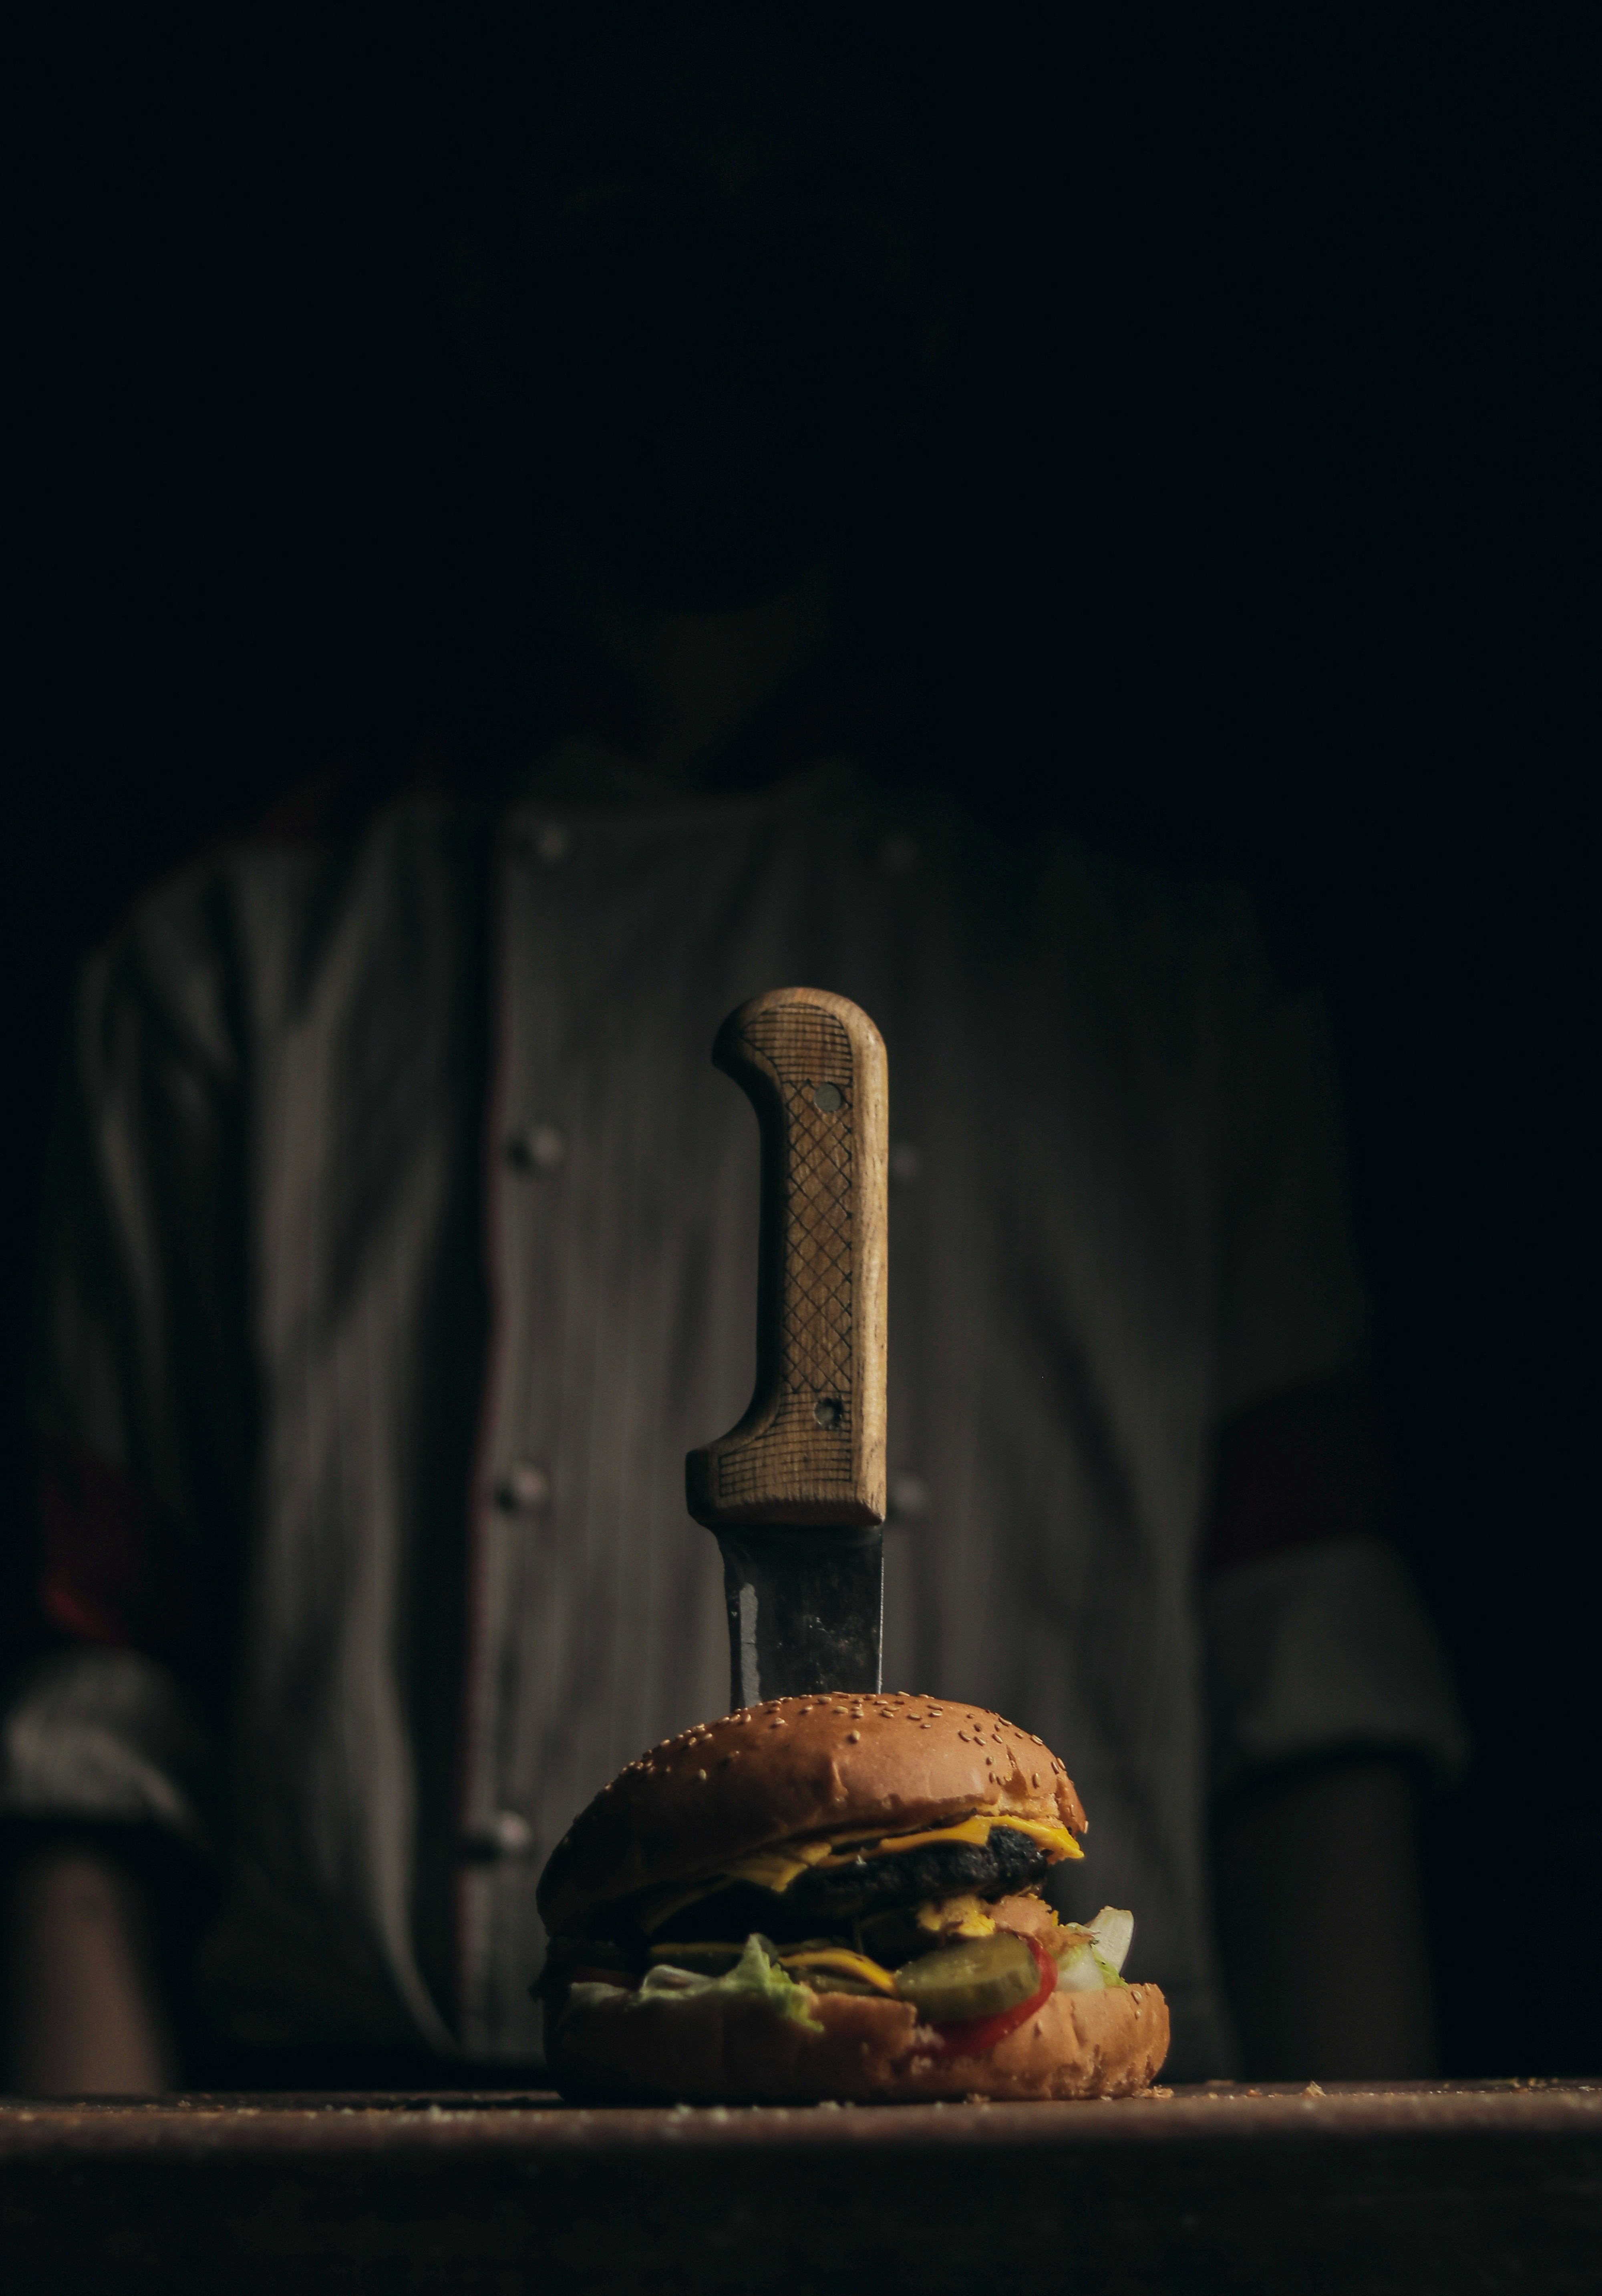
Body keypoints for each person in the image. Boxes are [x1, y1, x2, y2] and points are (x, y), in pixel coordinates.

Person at [1, 6, 1464, 2093]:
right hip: (366, 2183)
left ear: (935, 321)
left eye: (818, 217)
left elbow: (1313, 1676)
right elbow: (96, 1722)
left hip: (1092, 2220)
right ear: (490, 302)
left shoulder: (1177, 980)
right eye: (637, 216)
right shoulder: (226, 972)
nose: (726, 279)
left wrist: (1356, 2266)